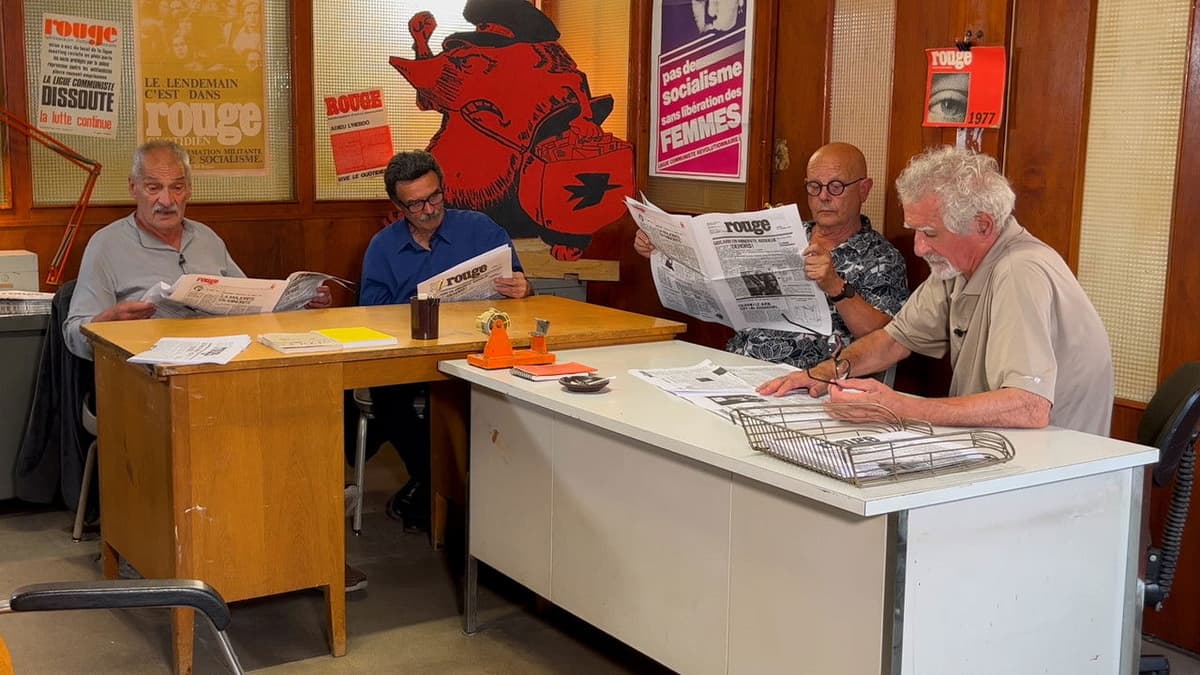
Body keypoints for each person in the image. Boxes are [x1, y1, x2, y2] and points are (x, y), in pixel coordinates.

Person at [758, 145, 1115, 436]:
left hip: (1051, 468)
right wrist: (820, 374)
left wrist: (899, 407)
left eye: (930, 233)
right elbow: (893, 340)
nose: (918, 248)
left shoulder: (1019, 271)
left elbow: (1028, 406)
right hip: (1000, 446)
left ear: (983, 225)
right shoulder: (956, 265)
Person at [358, 150, 531, 532]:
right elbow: (370, 311)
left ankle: (442, 491)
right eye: (416, 204)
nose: (429, 209)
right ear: (398, 206)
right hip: (410, 354)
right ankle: (439, 484)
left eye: (435, 196)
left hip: (476, 351)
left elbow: (518, 287)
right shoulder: (383, 246)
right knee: (389, 400)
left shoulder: (480, 229)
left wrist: (523, 287)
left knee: (504, 398)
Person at [634, 142, 909, 368]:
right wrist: (663, 252)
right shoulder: (788, 233)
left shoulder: (880, 258)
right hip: (738, 360)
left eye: (836, 186)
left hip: (808, 379)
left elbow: (884, 337)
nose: (823, 197)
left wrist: (836, 286)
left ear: (864, 189)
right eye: (814, 187)